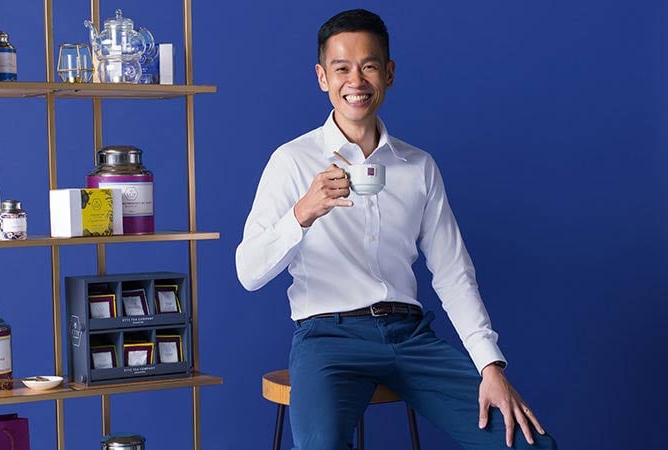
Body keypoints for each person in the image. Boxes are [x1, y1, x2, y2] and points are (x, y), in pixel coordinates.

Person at [235, 8, 557, 450]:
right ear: (321, 77)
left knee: (527, 445)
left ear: (388, 73)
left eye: (369, 66)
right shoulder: (291, 161)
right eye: (341, 68)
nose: (356, 81)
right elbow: (248, 272)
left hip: (410, 338)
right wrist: (303, 213)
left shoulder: (418, 166)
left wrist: (490, 366)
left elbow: (452, 273)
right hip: (328, 339)